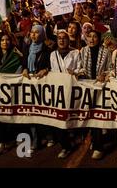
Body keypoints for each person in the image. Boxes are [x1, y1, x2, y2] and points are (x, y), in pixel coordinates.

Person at [75, 30, 112, 160]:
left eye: (95, 36)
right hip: (86, 89)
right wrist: (79, 73)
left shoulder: (106, 51)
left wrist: (105, 74)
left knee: (96, 117)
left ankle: (98, 147)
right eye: (89, 36)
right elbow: (79, 67)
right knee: (88, 116)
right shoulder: (83, 51)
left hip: (100, 89)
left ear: (99, 38)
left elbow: (111, 68)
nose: (92, 39)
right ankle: (92, 140)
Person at [0, 32, 23, 157]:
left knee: (10, 115)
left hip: (11, 91)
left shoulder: (16, 55)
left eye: (7, 40)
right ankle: (1, 143)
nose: (4, 42)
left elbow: (21, 68)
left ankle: (10, 140)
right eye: (2, 40)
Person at [50, 30, 80, 159]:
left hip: (72, 89)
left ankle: (74, 138)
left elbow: (80, 67)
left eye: (64, 38)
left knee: (72, 116)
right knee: (59, 118)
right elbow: (52, 71)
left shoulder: (75, 53)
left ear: (68, 40)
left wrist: (74, 72)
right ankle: (65, 146)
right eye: (59, 38)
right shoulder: (52, 54)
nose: (61, 40)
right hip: (58, 91)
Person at [21, 24, 51, 153]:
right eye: (32, 32)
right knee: (30, 112)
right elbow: (23, 61)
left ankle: (48, 135)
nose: (33, 35)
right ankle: (35, 139)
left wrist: (45, 70)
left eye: (36, 32)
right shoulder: (27, 48)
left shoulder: (47, 49)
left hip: (42, 84)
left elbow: (51, 65)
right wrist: (25, 69)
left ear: (42, 34)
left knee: (42, 112)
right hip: (29, 84)